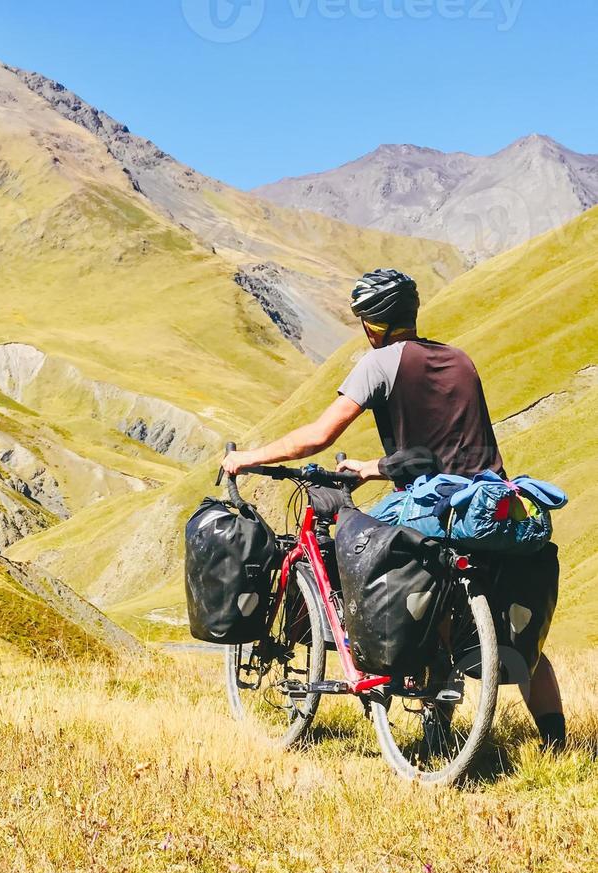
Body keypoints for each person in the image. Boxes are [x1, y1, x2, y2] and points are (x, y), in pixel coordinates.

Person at [221, 269, 566, 752]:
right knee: (522, 640)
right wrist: (376, 466)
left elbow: (319, 436)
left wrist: (248, 457)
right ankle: (555, 748)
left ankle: (386, 673)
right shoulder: (460, 359)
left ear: (371, 324)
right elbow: (444, 452)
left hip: (431, 506)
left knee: (352, 539)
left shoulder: (377, 364)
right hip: (491, 505)